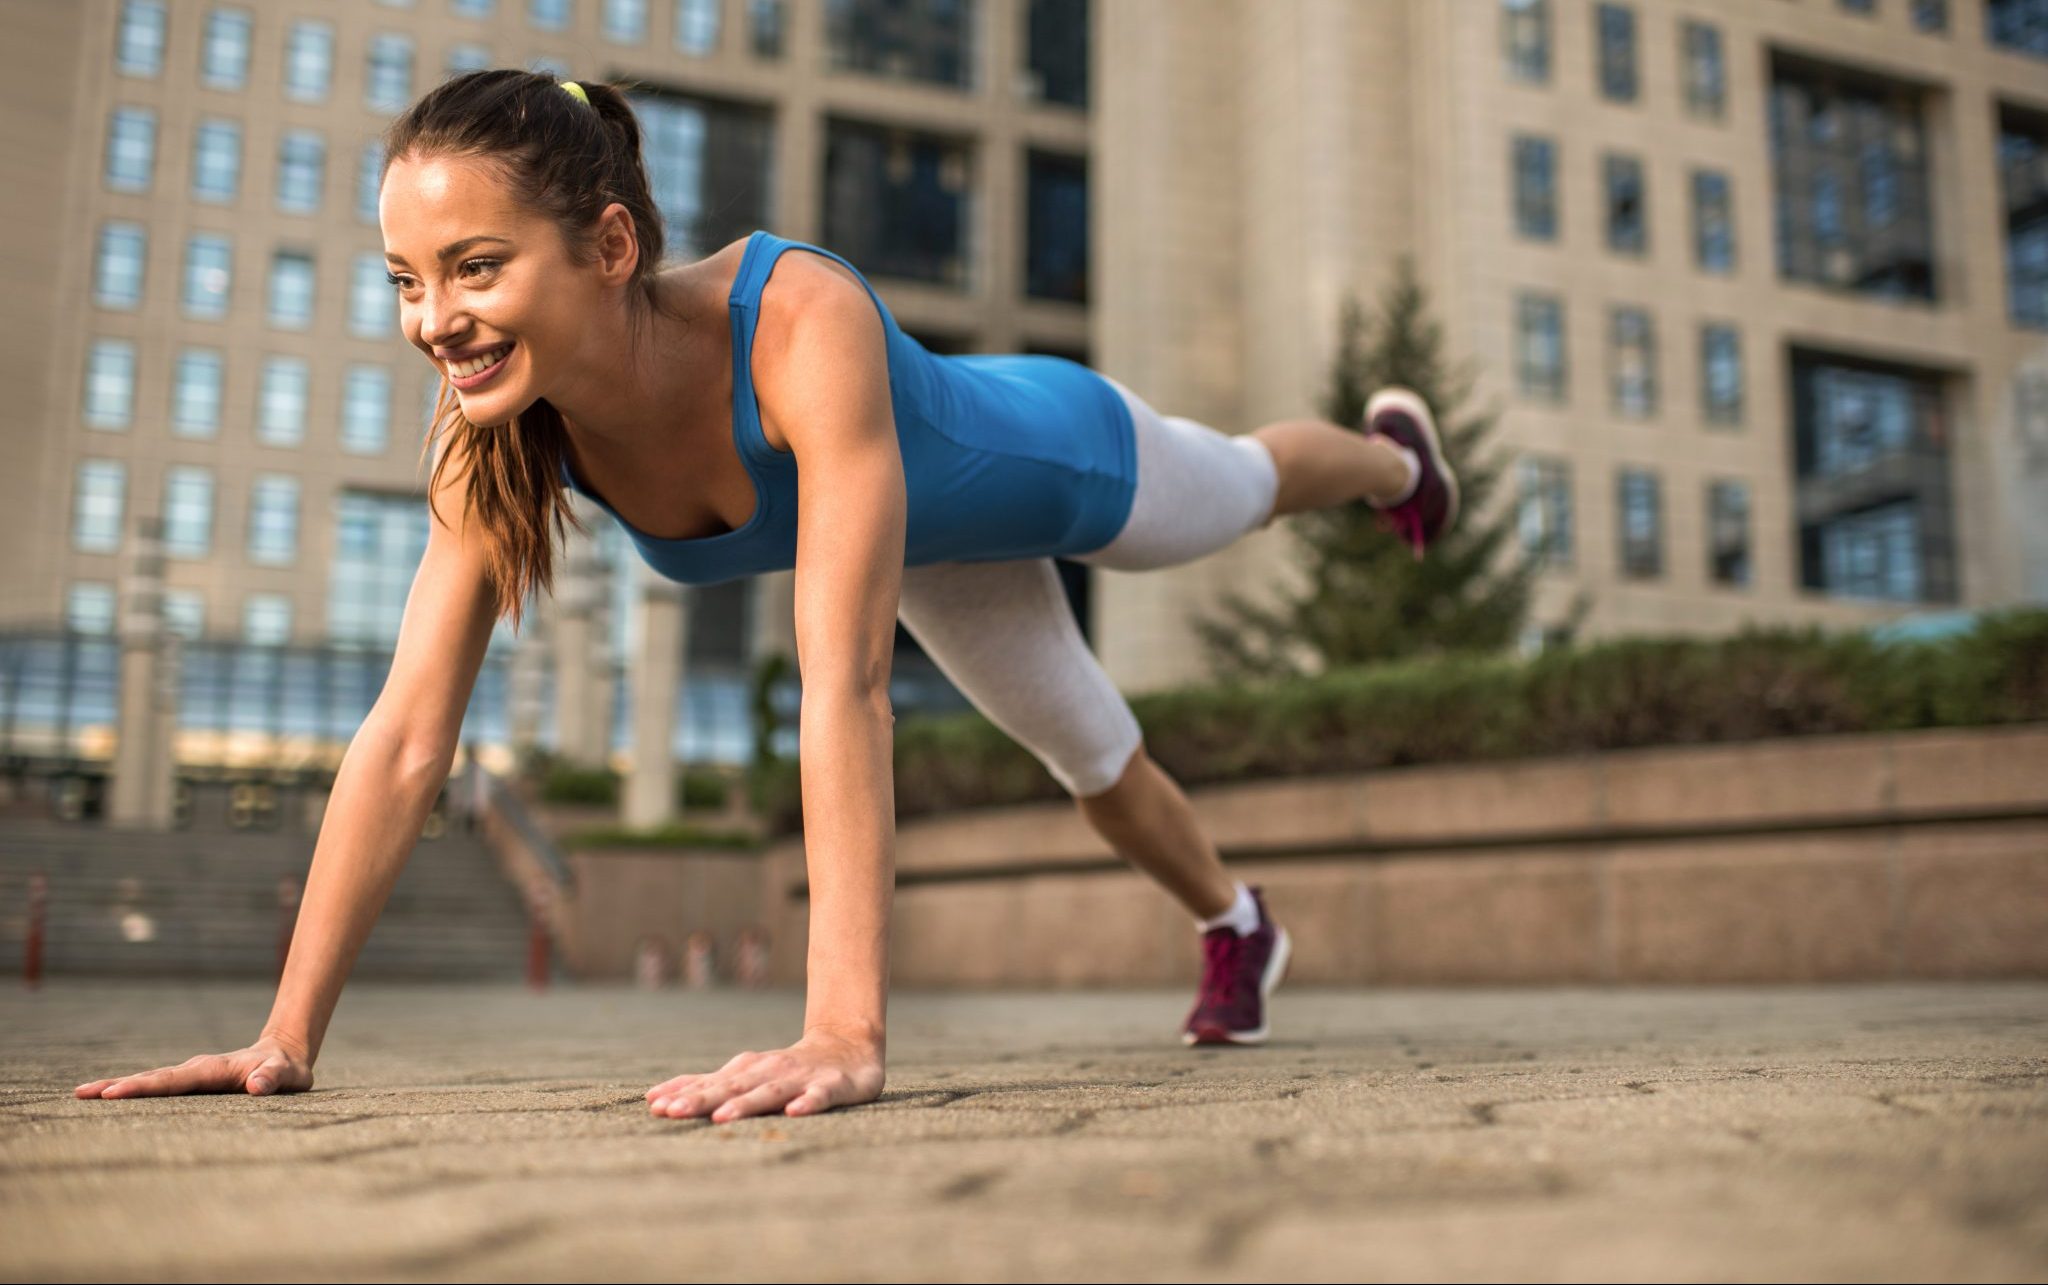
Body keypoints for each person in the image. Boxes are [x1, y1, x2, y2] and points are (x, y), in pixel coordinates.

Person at [72, 71, 1459, 1123]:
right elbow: (406, 737)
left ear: (609, 245)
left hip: (1048, 458)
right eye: (408, 280)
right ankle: (1238, 924)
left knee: (1238, 484)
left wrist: (842, 1030)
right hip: (929, 556)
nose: (435, 317)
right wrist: (285, 1035)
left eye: (476, 267)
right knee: (1091, 757)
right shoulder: (494, 431)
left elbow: (845, 684)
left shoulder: (798, 321)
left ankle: (1396, 458)